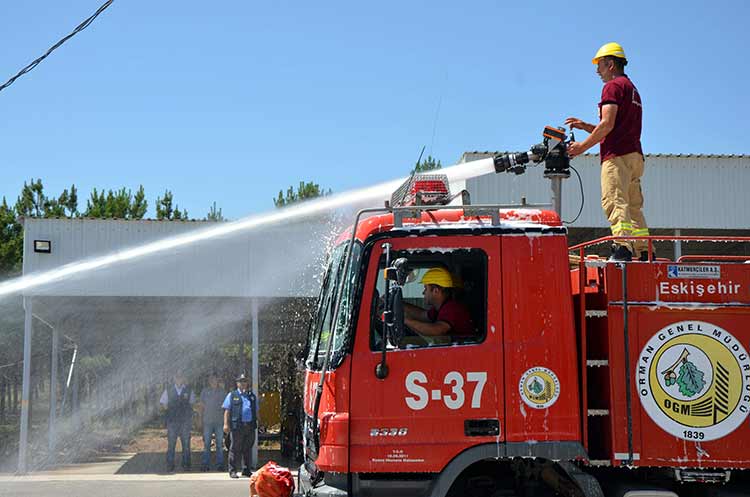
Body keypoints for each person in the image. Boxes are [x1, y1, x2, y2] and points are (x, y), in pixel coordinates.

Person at [565, 42, 649, 262]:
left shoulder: (612, 87)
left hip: (617, 157)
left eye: (600, 65)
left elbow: (607, 125)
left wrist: (581, 147)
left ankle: (622, 248)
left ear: (610, 64)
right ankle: (644, 250)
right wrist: (586, 126)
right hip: (634, 156)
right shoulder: (632, 89)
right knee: (633, 206)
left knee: (615, 201)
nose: (597, 71)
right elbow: (615, 128)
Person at [403, 267, 474, 337]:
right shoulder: (441, 307)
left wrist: (405, 320)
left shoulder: (452, 308)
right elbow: (422, 315)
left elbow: (437, 330)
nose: (423, 292)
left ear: (436, 290)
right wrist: (400, 305)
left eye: (425, 288)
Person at [223, 373, 258, 479]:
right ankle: (232, 470)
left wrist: (259, 423)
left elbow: (256, 410)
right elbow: (227, 410)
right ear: (237, 383)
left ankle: (246, 469)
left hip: (250, 426)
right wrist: (225, 424)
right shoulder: (232, 395)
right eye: (241, 382)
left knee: (247, 448)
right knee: (235, 448)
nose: (243, 384)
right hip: (237, 426)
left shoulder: (252, 396)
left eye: (245, 382)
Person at [159, 371, 196, 473]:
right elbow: (163, 403)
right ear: (174, 378)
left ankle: (186, 465)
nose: (179, 379)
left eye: (180, 377)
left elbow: (192, 403)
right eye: (177, 377)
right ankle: (170, 465)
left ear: (183, 378)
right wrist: (170, 411)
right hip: (172, 422)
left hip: (185, 422)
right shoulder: (168, 390)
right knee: (171, 445)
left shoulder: (189, 391)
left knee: (186, 445)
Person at [199, 373, 226, 472]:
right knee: (206, 444)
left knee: (219, 444)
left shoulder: (222, 392)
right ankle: (205, 464)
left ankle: (220, 465)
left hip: (219, 422)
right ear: (209, 381)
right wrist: (200, 419)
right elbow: (201, 407)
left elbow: (226, 408)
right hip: (207, 421)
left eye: (215, 379)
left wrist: (226, 422)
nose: (213, 381)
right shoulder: (204, 392)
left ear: (217, 380)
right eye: (211, 379)